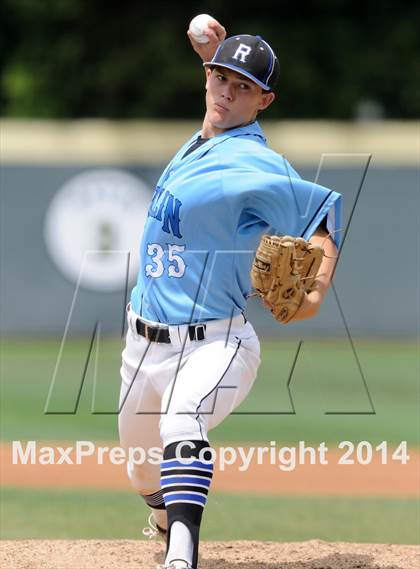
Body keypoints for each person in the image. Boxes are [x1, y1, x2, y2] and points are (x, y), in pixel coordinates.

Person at [118, 18, 342, 569]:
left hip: (214, 344)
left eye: (243, 86)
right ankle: (164, 517)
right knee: (142, 471)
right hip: (141, 342)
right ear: (206, 79)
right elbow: (221, 89)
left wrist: (313, 291)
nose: (226, 91)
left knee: (183, 418)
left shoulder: (254, 162)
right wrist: (213, 52)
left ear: (265, 100)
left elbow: (324, 216)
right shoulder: (203, 137)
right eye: (220, 78)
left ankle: (182, 555)